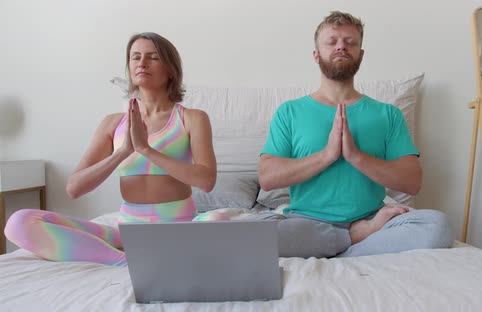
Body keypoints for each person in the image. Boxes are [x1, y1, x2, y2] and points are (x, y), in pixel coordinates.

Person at [4, 32, 218, 266]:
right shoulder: (113, 123)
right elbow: (74, 188)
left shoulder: (192, 118)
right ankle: (122, 261)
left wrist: (146, 149)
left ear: (170, 69)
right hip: (127, 231)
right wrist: (121, 153)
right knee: (19, 222)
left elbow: (206, 180)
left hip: (179, 226)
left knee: (221, 220)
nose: (142, 63)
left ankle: (137, 256)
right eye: (135, 57)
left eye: (153, 57)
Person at [257, 11, 454, 258]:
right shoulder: (290, 112)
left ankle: (335, 245)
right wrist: (327, 155)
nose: (341, 47)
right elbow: (267, 177)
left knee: (437, 225)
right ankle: (354, 239)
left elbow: (412, 182)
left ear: (360, 55)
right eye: (332, 42)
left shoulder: (387, 114)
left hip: (373, 219)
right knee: (256, 232)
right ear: (316, 54)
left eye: (350, 42)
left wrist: (355, 156)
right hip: (306, 223)